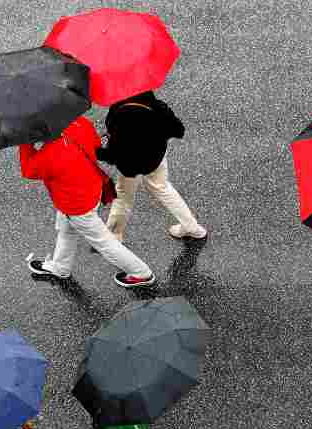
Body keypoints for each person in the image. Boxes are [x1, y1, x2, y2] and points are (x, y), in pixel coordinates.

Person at [20, 116, 156, 288]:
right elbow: (96, 144)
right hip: (92, 189)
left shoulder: (49, 154)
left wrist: (25, 143)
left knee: (104, 242)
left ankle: (141, 273)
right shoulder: (79, 123)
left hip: (75, 204)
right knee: (66, 229)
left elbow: (28, 169)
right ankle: (60, 266)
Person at [96, 91, 206, 243]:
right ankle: (192, 227)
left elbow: (114, 154)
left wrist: (97, 152)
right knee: (162, 188)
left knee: (123, 198)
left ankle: (114, 235)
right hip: (156, 158)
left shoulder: (118, 112)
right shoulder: (157, 105)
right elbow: (178, 130)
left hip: (131, 166)